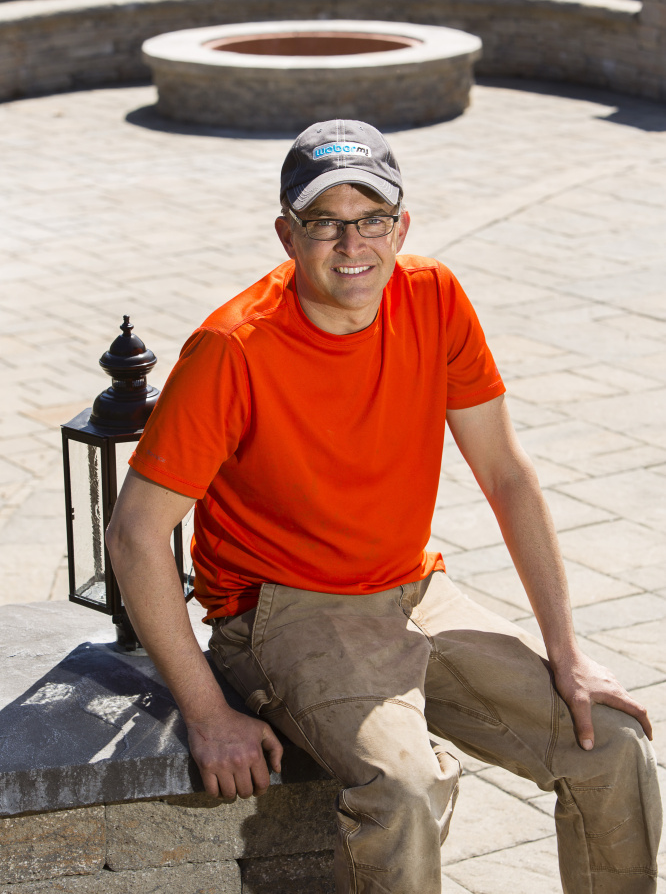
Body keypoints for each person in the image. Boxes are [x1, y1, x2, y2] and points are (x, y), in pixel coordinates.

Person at [106, 119, 661, 894]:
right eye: (325, 222)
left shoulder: (434, 297)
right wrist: (205, 709)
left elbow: (505, 472)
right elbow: (135, 532)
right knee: (404, 792)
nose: (352, 243)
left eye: (371, 219)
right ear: (286, 233)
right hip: (285, 611)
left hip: (411, 588)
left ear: (402, 225)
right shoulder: (233, 349)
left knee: (612, 745)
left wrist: (567, 652)